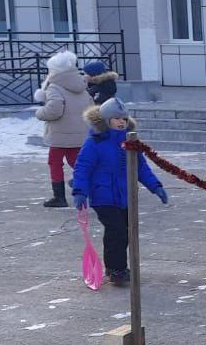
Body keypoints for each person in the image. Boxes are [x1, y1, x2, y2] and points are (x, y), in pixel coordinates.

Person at [71, 98, 169, 287]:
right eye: (116, 118)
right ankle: (117, 269)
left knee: (123, 232)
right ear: (106, 120)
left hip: (126, 197)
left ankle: (113, 267)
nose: (121, 122)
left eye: (124, 118)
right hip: (103, 197)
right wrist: (79, 192)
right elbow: (82, 168)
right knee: (117, 231)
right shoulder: (94, 143)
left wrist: (155, 187)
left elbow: (141, 168)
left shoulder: (131, 142)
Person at [34, 50, 93, 208]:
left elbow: (54, 110)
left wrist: (40, 112)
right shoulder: (81, 85)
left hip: (60, 134)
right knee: (77, 162)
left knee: (55, 162)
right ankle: (94, 186)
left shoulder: (55, 87)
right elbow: (90, 106)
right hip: (80, 132)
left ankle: (59, 197)